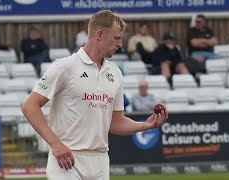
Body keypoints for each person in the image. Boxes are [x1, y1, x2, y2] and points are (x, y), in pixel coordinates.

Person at [21, 10, 168, 180]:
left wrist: (145, 125)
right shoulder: (64, 67)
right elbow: (29, 106)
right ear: (99, 34)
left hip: (100, 161)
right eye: (117, 37)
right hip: (66, 159)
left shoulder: (115, 72)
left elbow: (116, 123)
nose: (120, 43)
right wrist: (55, 144)